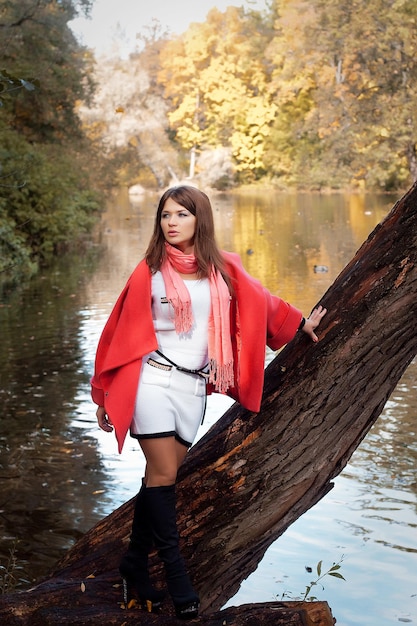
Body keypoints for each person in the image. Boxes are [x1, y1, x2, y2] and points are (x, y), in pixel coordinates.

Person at [91, 185, 326, 620]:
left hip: (192, 389)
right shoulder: (150, 272)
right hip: (151, 383)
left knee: (159, 479)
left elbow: (264, 303)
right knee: (164, 474)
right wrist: (105, 392)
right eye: (165, 215)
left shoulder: (223, 269)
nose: (172, 222)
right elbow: (116, 331)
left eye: (181, 214)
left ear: (200, 219)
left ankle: (133, 563)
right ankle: (177, 577)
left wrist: (299, 325)